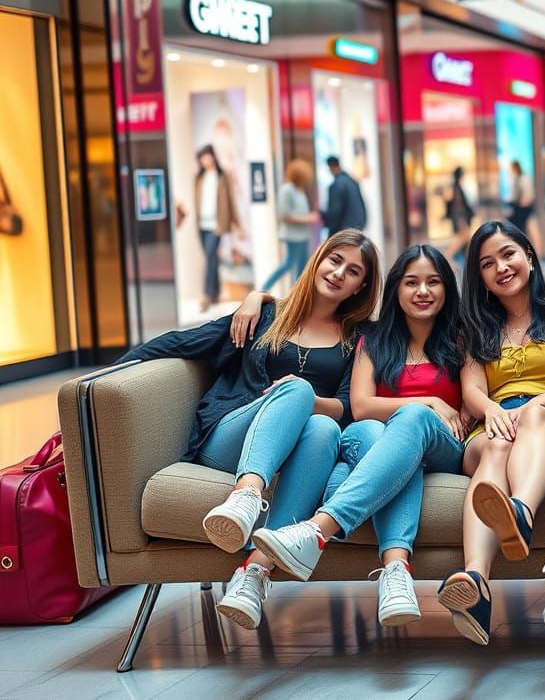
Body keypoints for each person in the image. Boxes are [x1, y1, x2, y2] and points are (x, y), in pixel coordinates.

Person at [121, 230, 381, 630]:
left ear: (361, 285)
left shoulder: (357, 338)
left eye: (352, 271)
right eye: (334, 260)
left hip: (300, 448)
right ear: (318, 259)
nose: (338, 273)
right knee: (299, 390)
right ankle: (246, 495)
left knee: (325, 428)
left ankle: (254, 572)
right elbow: (186, 343)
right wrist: (110, 375)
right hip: (230, 439)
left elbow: (347, 407)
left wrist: (303, 395)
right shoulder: (266, 316)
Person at [236, 245, 468, 628]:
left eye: (433, 282)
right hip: (376, 441)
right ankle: (396, 575)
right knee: (381, 432)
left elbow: (474, 400)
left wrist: (431, 411)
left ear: (447, 290)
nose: (423, 291)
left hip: (441, 445)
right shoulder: (374, 340)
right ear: (395, 289)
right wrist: (429, 400)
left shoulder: (461, 340)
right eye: (411, 282)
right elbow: (360, 407)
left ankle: (316, 530)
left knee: (409, 420)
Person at [437, 220, 545, 645]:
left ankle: (519, 511)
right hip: (495, 424)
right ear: (480, 276)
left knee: (533, 421)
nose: (502, 267)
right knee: (495, 447)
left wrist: (529, 409)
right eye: (488, 264)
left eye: (508, 255)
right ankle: (476, 582)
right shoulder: (476, 326)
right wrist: (490, 411)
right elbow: (471, 389)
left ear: (528, 254)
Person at [194, 143, 241, 312]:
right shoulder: (199, 178)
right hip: (202, 225)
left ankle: (207, 295)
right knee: (211, 258)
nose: (205, 160)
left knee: (209, 257)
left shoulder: (222, 176)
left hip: (217, 225)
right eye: (202, 158)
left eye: (207, 156)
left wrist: (237, 224)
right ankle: (215, 293)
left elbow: (231, 202)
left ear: (213, 156)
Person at [262, 158, 317, 291]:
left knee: (303, 267)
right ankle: (264, 288)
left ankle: (299, 293)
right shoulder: (287, 190)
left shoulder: (299, 190)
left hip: (303, 235)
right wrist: (308, 219)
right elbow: (284, 215)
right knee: (289, 264)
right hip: (293, 236)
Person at [322, 155, 367, 234]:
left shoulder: (337, 185)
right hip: (357, 227)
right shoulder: (352, 181)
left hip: (344, 229)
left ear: (331, 167)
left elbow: (335, 211)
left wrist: (327, 221)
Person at [444, 165, 475, 266]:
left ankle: (460, 258)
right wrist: (461, 220)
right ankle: (447, 256)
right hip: (460, 218)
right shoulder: (456, 187)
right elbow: (458, 206)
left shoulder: (456, 186)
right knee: (462, 238)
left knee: (464, 238)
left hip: (460, 217)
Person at [507, 159, 541, 250]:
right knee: (527, 230)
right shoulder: (517, 178)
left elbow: (526, 195)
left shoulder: (523, 178)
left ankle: (537, 252)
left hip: (525, 208)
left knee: (531, 230)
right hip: (522, 208)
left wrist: (522, 202)